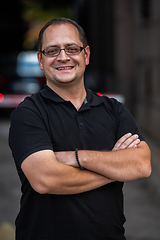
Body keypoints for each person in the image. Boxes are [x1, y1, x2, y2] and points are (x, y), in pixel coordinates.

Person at [9, 17, 151, 240]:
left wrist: (77, 157)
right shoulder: (28, 113)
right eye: (52, 51)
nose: (63, 57)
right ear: (40, 59)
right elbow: (46, 179)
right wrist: (114, 169)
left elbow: (141, 165)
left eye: (71, 49)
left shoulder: (114, 110)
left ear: (86, 55)